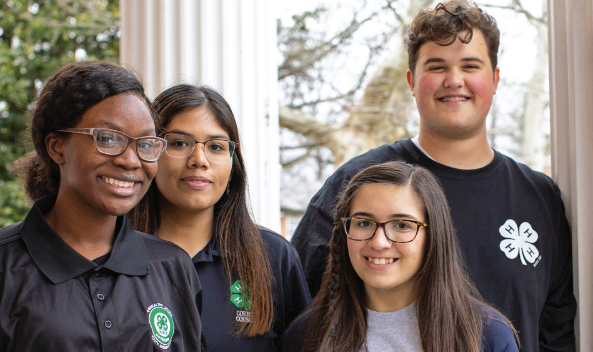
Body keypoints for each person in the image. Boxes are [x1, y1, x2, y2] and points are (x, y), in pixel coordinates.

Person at [290, 1, 576, 351]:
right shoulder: (362, 186)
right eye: (436, 66)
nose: (454, 80)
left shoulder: (539, 198)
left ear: (495, 79)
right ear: (412, 81)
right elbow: (300, 305)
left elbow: (556, 332)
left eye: (470, 66)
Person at [0, 61, 204, 351]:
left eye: (145, 144)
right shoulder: (6, 267)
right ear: (57, 146)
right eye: (107, 138)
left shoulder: (172, 268)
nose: (131, 160)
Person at [129, 84, 311, 352]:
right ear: (150, 151)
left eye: (215, 146)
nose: (199, 160)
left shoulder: (273, 257)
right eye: (179, 143)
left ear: (233, 162)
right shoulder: (113, 254)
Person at [283, 161, 519, 352]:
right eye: (364, 223)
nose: (379, 242)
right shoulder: (307, 335)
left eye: (402, 225)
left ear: (433, 235)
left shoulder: (487, 335)